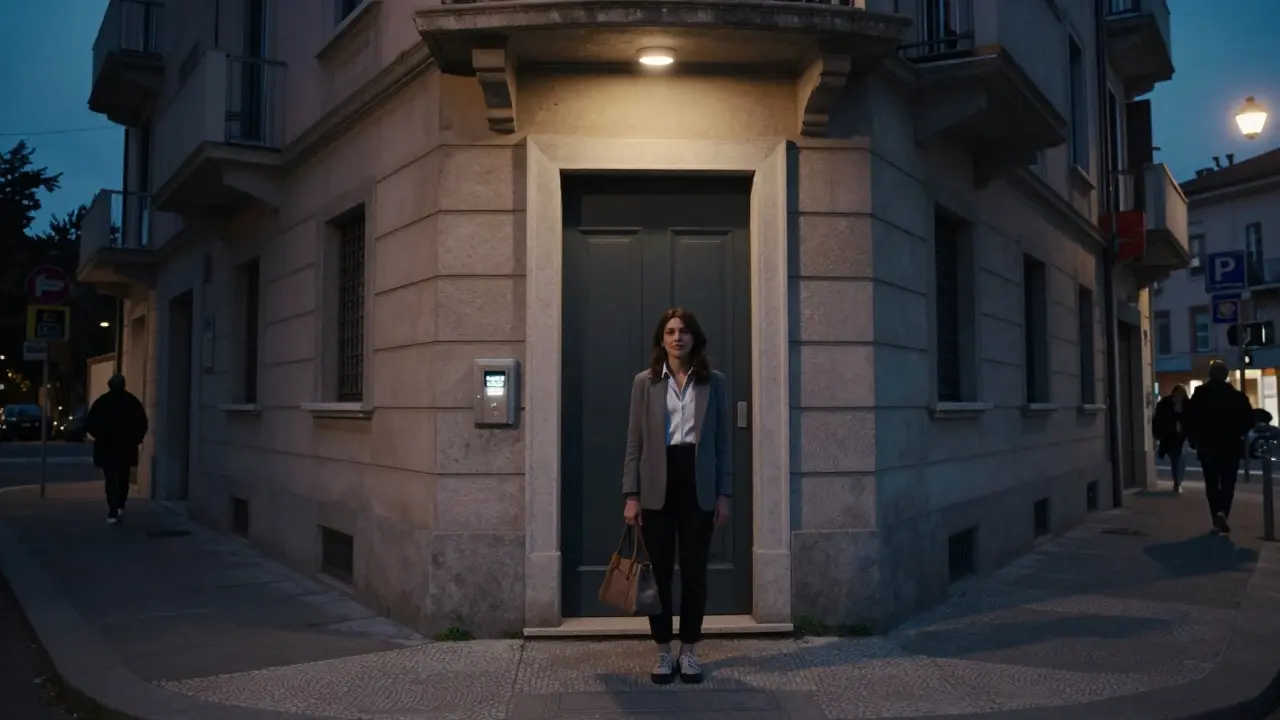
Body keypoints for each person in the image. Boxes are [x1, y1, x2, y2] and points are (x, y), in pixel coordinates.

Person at [621, 308, 732, 686]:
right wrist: (631, 494)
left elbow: (722, 445)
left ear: (694, 338)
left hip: (698, 485)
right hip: (656, 485)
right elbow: (633, 443)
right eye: (670, 331)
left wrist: (724, 493)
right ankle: (663, 653)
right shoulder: (645, 382)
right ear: (661, 339)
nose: (677, 337)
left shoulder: (713, 382)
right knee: (660, 575)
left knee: (695, 575)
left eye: (684, 331)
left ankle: (689, 653)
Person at [1184, 361, 1255, 535]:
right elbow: (1248, 420)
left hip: (1207, 445)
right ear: (1226, 375)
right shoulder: (1236, 396)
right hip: (1230, 445)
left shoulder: (1200, 394)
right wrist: (1237, 432)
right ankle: (1223, 512)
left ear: (1210, 375)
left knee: (1211, 482)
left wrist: (1194, 440)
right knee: (1228, 482)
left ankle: (1216, 514)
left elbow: (1189, 418)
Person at [86, 374, 149, 525]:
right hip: (124, 448)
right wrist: (135, 439)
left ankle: (114, 508)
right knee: (122, 477)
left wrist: (100, 437)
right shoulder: (132, 402)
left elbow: (91, 423)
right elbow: (141, 423)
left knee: (111, 479)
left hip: (107, 447)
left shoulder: (102, 403)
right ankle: (119, 504)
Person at [1153, 384, 1190, 494]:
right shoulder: (1165, 404)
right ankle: (1177, 482)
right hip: (1171, 437)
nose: (1178, 397)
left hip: (1184, 436)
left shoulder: (1187, 405)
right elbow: (1158, 420)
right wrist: (1159, 434)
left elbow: (1192, 419)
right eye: (1176, 395)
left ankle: (1179, 479)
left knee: (1182, 459)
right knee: (1175, 459)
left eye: (1180, 395)